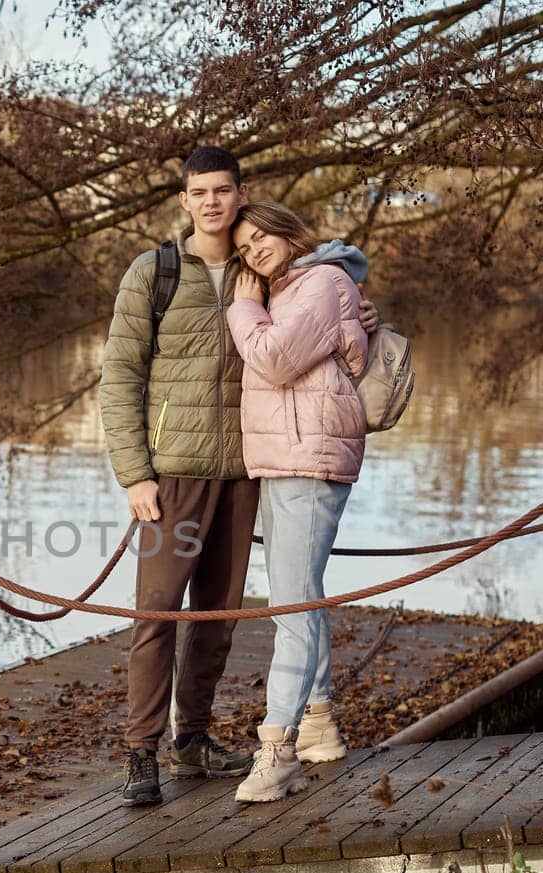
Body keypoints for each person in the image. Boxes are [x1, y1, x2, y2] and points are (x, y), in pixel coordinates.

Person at [99, 151, 377, 805]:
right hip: (173, 472)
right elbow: (119, 378)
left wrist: (361, 317)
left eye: (223, 191)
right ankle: (141, 750)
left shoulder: (268, 271)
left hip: (247, 471)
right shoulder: (157, 272)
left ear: (241, 193)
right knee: (155, 612)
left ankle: (191, 739)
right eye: (200, 192)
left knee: (218, 617)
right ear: (185, 199)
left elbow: (326, 308)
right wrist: (135, 474)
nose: (213, 203)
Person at [224, 201, 370, 803]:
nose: (254, 249)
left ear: (288, 232)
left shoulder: (323, 280)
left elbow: (275, 360)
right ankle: (318, 725)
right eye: (244, 246)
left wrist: (240, 301)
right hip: (287, 458)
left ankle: (277, 749)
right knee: (300, 596)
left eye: (261, 236)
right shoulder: (293, 289)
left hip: (310, 459)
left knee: (290, 604)